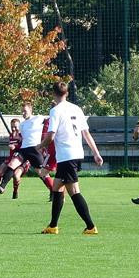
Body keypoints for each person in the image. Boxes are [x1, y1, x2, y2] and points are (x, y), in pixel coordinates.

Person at [39, 81, 103, 235]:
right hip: (75, 154)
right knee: (57, 187)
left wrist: (39, 146)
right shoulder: (76, 108)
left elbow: (51, 135)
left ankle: (90, 226)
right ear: (66, 93)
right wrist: (96, 152)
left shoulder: (55, 111)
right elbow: (86, 133)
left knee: (74, 191)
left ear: (53, 93)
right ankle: (53, 226)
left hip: (67, 156)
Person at [0, 103, 55, 196]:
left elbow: (51, 119)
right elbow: (22, 138)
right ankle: (2, 186)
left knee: (41, 173)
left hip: (35, 149)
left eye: (25, 111)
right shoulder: (22, 125)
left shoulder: (38, 118)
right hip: (23, 150)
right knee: (12, 164)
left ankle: (53, 191)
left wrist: (54, 108)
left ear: (31, 110)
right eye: (22, 111)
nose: (23, 113)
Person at [0, 118, 25, 198]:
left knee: (16, 176)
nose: (13, 128)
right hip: (11, 158)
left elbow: (24, 147)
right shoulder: (11, 135)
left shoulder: (23, 135)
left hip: (23, 159)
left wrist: (15, 147)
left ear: (20, 127)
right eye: (12, 126)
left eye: (15, 127)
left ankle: (15, 191)